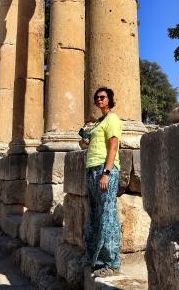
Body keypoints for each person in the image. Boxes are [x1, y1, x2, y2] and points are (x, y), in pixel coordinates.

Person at [79, 86, 121, 276]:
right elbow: (97, 144)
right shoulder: (99, 122)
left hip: (105, 171)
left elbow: (113, 147)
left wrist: (106, 172)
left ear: (110, 100)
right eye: (96, 97)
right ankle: (94, 258)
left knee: (108, 216)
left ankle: (110, 263)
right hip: (92, 169)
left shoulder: (112, 119)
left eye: (102, 97)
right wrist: (86, 142)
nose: (99, 100)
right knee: (95, 215)